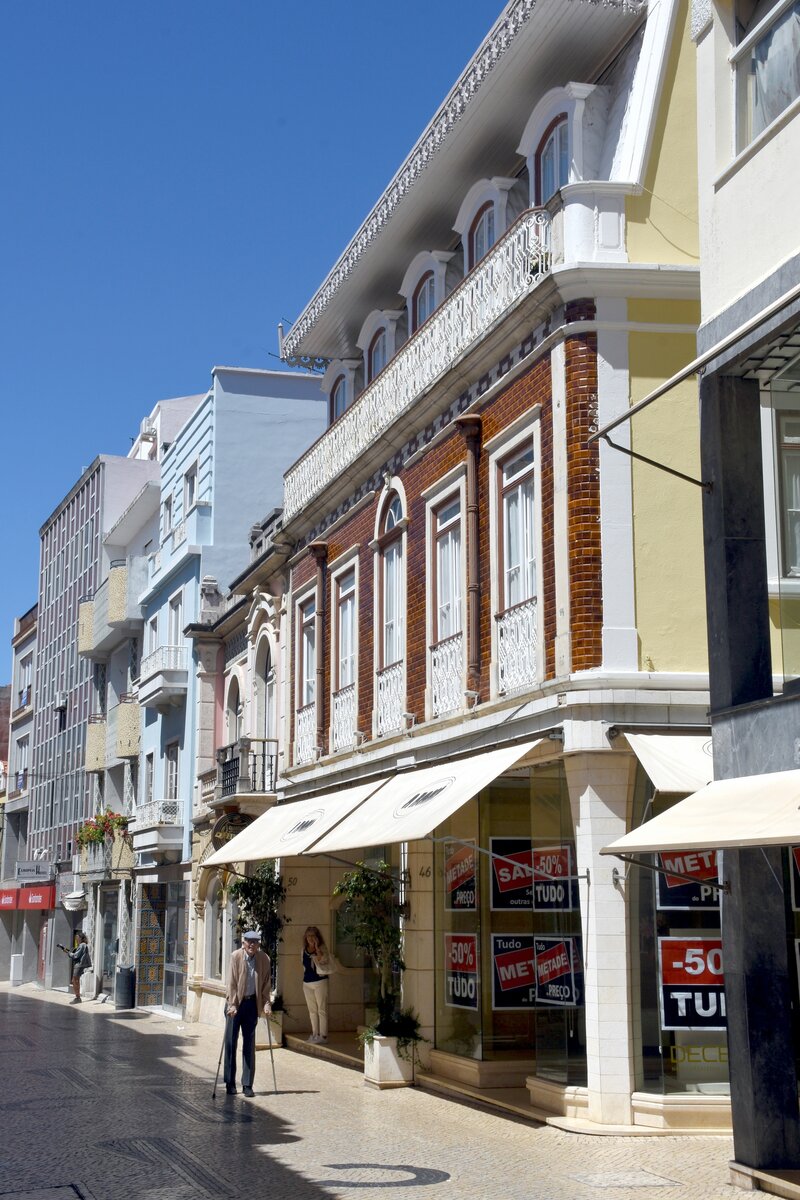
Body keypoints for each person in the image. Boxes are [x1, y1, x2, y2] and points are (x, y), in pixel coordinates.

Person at [224, 929, 271, 1097]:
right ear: (243, 943)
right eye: (249, 941)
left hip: (252, 1004)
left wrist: (266, 1003)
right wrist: (233, 1004)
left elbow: (266, 983)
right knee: (231, 1042)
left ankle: (247, 1084)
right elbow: (232, 983)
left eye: (255, 942)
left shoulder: (264, 959)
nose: (252, 945)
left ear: (258, 944)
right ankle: (230, 1083)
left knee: (249, 1045)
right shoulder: (235, 956)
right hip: (235, 1005)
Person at [301, 925, 334, 1044]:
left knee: (321, 1009)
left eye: (313, 935)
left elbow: (323, 960)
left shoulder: (322, 948)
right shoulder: (303, 949)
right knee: (312, 1011)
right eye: (308, 935)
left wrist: (316, 947)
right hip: (307, 983)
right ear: (305, 937)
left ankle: (323, 1036)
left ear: (317, 937)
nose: (310, 938)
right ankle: (315, 1034)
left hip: (320, 981)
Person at [59, 932, 90, 1004]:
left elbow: (75, 956)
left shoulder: (82, 945)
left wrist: (68, 953)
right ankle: (77, 997)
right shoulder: (82, 945)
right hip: (79, 964)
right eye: (76, 938)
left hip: (79, 965)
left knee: (74, 980)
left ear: (81, 938)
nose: (76, 939)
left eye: (77, 938)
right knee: (75, 980)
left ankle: (78, 997)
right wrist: (66, 950)